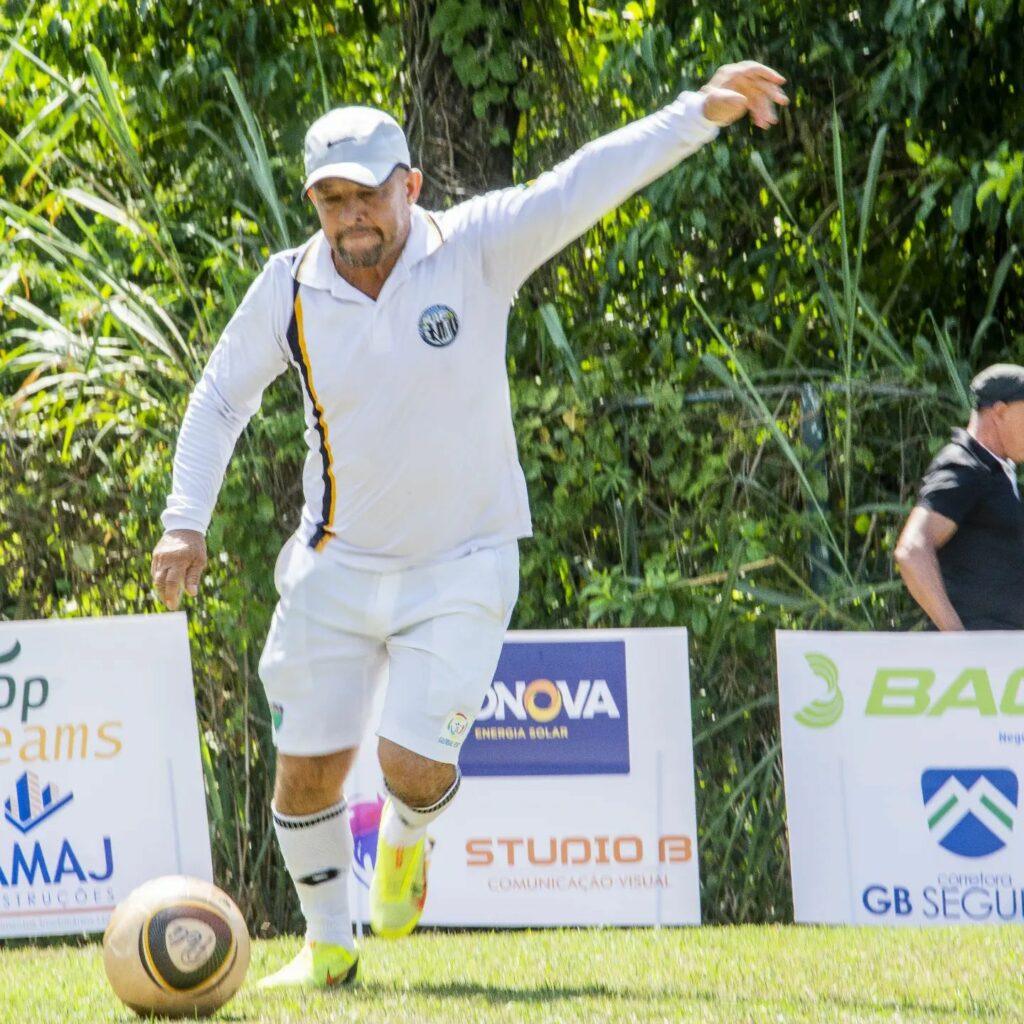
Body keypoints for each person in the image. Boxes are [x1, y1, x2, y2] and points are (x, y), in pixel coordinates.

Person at [151, 61, 788, 989]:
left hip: (463, 563)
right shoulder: (287, 287)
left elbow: (583, 181)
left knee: (408, 767)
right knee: (305, 777)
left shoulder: (476, 245)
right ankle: (329, 948)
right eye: (330, 199)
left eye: (366, 195)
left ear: (407, 186)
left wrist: (700, 112)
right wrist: (185, 523)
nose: (349, 218)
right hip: (332, 566)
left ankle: (407, 842)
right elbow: (216, 403)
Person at [895, 363, 1024, 631]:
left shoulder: (996, 470)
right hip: (975, 667)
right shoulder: (964, 465)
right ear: (1000, 412)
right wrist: (958, 641)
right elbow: (912, 550)